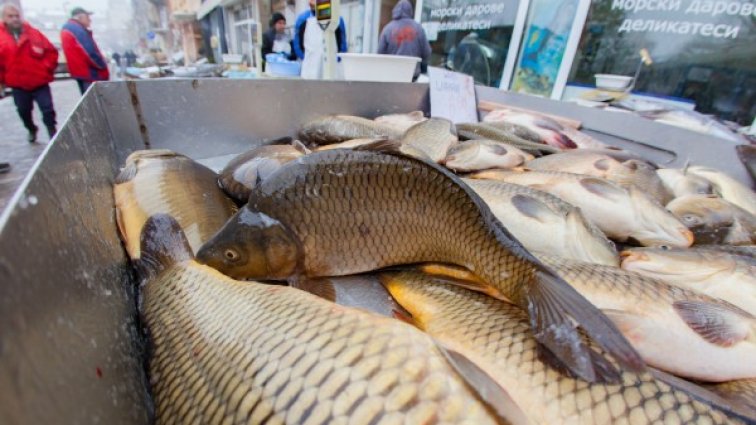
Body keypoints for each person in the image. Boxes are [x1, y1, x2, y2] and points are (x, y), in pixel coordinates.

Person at [0, 3, 58, 143]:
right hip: (18, 84)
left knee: (47, 110)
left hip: (39, 81)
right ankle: (31, 128)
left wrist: (46, 67)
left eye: (17, 16)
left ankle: (53, 133)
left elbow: (51, 52)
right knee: (23, 111)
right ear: (4, 18)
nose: (15, 19)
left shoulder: (33, 33)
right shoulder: (1, 37)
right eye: (11, 16)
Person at [377, 0, 431, 81]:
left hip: (392, 75)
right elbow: (427, 52)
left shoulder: (387, 29)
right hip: (412, 75)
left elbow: (380, 53)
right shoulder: (418, 28)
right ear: (410, 11)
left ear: (395, 10)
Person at [293, 0, 347, 79]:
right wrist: (305, 58)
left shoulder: (336, 18)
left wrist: (337, 58)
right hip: (310, 66)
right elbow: (297, 43)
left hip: (332, 64)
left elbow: (342, 42)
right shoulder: (303, 19)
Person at [60, 7, 109, 94]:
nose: (90, 20)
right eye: (87, 17)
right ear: (80, 17)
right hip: (89, 73)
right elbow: (89, 52)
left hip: (80, 71)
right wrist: (102, 65)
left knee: (87, 98)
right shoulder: (77, 30)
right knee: (93, 100)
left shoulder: (68, 28)